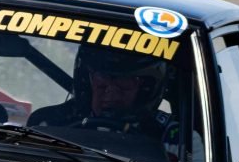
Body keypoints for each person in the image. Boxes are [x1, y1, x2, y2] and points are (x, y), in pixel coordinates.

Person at [28, 43, 173, 136]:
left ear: (145, 89)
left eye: (124, 82)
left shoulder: (172, 136)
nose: (111, 91)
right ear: (88, 81)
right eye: (101, 79)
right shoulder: (49, 122)